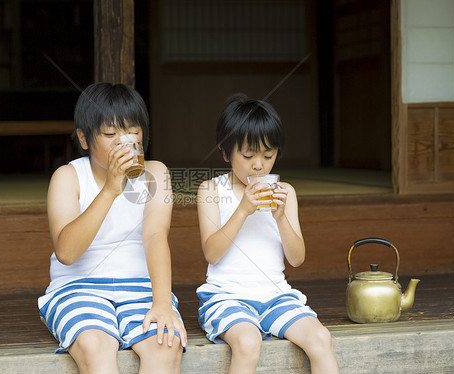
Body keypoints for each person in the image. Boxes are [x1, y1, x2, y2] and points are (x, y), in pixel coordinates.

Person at [38, 82, 187, 374]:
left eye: (133, 132)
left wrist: (162, 304)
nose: (124, 143)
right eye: (110, 134)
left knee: (166, 346)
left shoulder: (156, 172)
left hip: (141, 287)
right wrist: (109, 190)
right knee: (95, 347)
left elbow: (156, 236)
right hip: (77, 288)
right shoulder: (68, 177)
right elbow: (67, 252)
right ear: (83, 138)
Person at [196, 94, 339, 374]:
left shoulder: (286, 194)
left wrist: (281, 217)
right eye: (248, 155)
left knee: (321, 338)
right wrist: (243, 210)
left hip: (276, 296)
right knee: (248, 342)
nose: (259, 165)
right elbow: (212, 253)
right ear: (226, 153)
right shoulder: (211, 190)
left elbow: (296, 259)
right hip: (226, 296)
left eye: (268, 155)